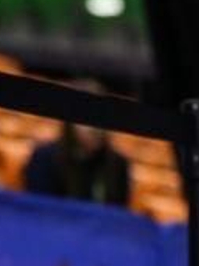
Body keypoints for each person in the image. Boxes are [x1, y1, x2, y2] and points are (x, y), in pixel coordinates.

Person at [23, 79, 131, 207]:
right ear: (70, 123)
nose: (95, 129)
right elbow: (38, 210)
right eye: (87, 120)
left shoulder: (118, 164)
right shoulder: (44, 158)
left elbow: (116, 213)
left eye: (100, 119)